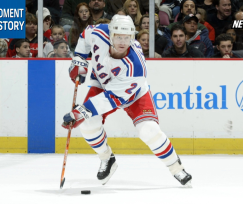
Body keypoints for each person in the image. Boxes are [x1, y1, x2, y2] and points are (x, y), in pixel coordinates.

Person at [62, 15, 192, 186]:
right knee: (88, 124)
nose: (123, 42)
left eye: (127, 37)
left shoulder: (136, 67)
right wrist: (79, 59)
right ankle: (107, 159)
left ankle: (176, 168)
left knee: (149, 131)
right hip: (102, 84)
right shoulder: (99, 32)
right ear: (111, 34)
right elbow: (85, 36)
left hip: (133, 94)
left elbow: (111, 99)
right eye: (118, 37)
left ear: (132, 36)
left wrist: (81, 112)